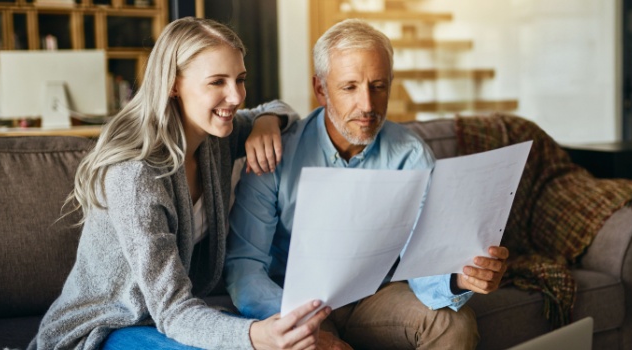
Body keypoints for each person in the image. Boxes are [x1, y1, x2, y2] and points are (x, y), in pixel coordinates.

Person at [29, 17, 330, 350]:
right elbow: (173, 310)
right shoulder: (135, 176)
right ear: (173, 84)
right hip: (105, 327)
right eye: (217, 82)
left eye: (240, 79)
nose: (235, 96)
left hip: (163, 321)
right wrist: (254, 335)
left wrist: (266, 122)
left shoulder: (216, 138)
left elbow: (280, 108)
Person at [225, 19, 509, 349]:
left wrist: (459, 279)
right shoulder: (275, 154)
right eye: (350, 87)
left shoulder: (411, 156)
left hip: (376, 296)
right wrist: (300, 327)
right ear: (321, 90)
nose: (368, 106)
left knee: (452, 324)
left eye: (378, 86)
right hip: (295, 300)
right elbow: (245, 266)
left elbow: (422, 259)